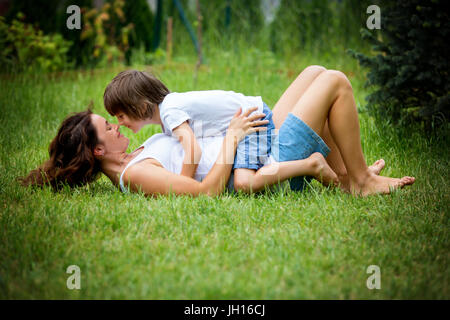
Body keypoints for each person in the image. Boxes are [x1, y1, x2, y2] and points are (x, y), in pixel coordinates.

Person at [22, 66, 415, 196]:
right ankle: (361, 181)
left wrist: (236, 130)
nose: (115, 126)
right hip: (260, 157)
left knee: (313, 72)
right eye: (107, 127)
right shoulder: (135, 173)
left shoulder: (138, 153)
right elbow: (204, 193)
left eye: (114, 119)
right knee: (335, 81)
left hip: (251, 141)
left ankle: (346, 177)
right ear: (96, 152)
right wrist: (231, 137)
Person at [103, 70, 277, 193]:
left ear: (141, 108)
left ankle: (300, 167)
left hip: (251, 119)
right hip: (249, 115)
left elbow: (193, 150)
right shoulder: (168, 113)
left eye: (121, 116)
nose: (119, 123)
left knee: (244, 182)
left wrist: (184, 182)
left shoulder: (169, 113)